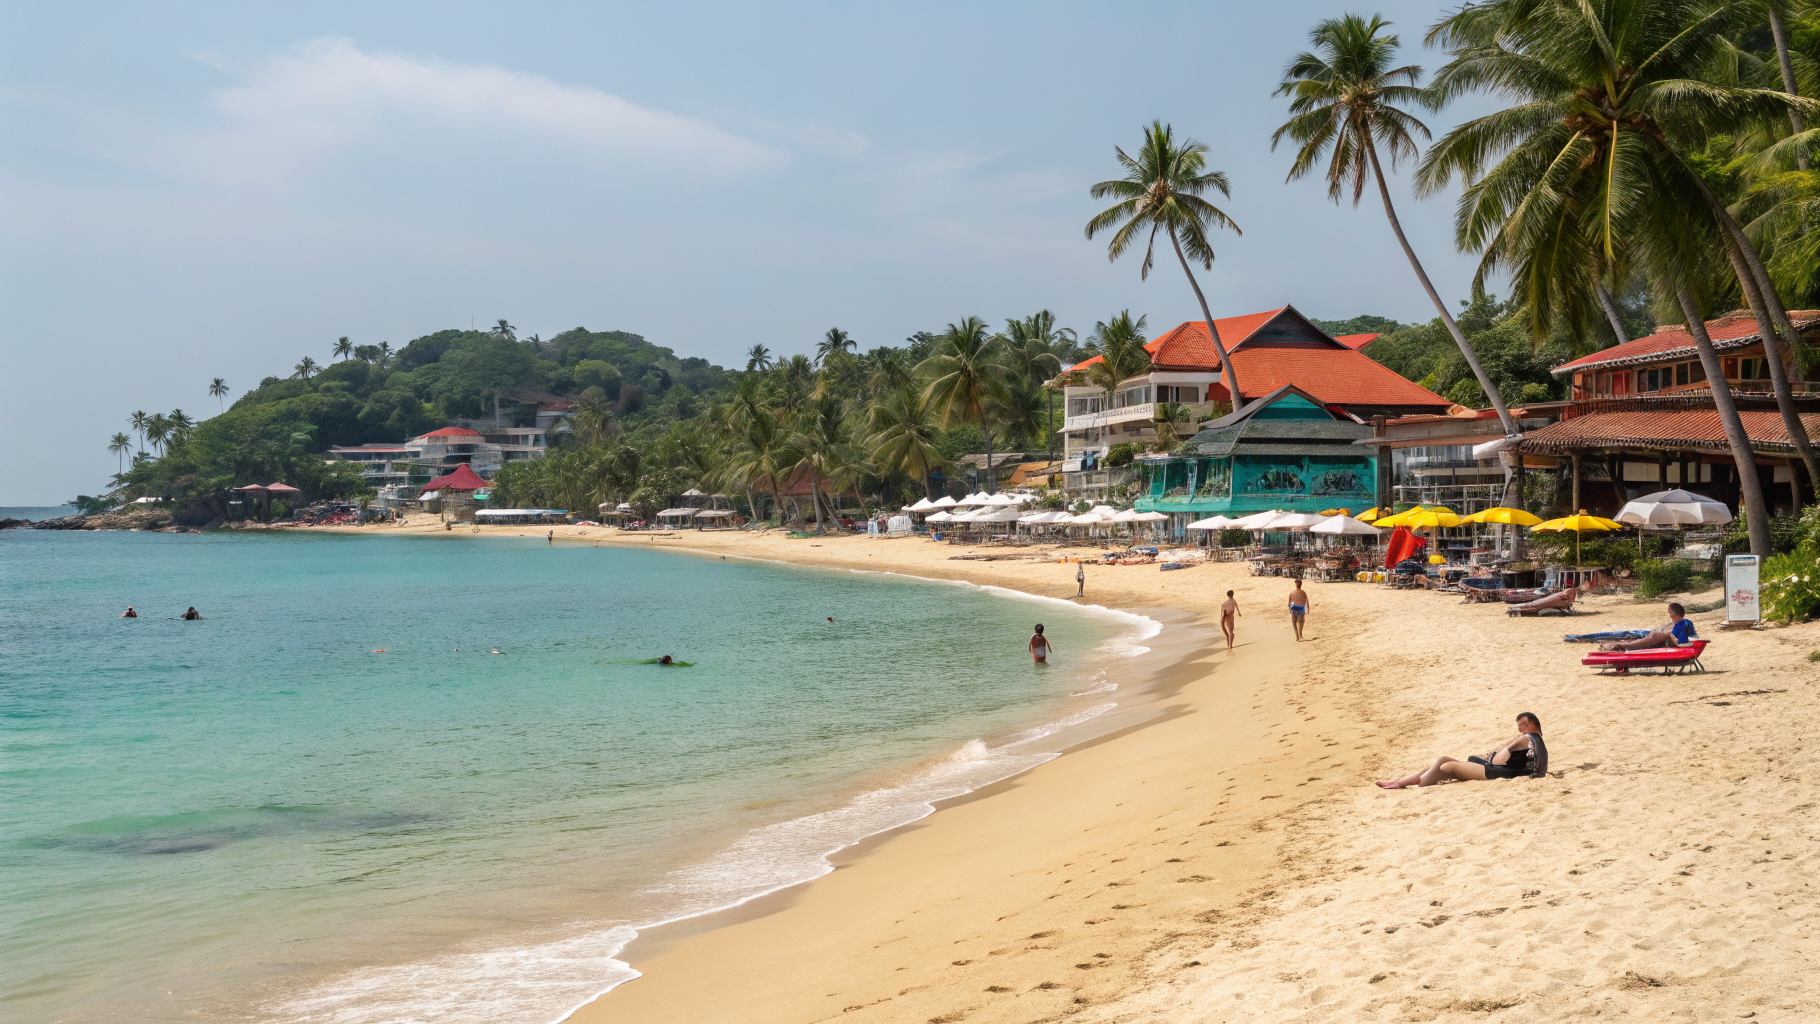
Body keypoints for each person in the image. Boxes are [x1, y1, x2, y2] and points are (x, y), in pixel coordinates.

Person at [1377, 713, 1548, 788]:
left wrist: (1499, 751)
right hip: (1510, 770)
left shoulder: (1524, 739)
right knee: (1443, 761)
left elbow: (1497, 761)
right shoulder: (1537, 740)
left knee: (1446, 766)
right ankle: (1400, 782)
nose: (1519, 730)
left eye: (1521, 726)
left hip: (1504, 772)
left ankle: (1414, 782)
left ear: (1529, 723)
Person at [1598, 602, 1696, 651]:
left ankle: (1620, 645)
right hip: (1677, 644)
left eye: (1670, 613)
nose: (1669, 615)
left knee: (1655, 635)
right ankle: (1619, 644)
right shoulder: (1681, 623)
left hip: (1682, 646)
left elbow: (1679, 642)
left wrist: (1668, 635)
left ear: (1676, 614)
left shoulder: (1683, 623)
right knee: (1654, 635)